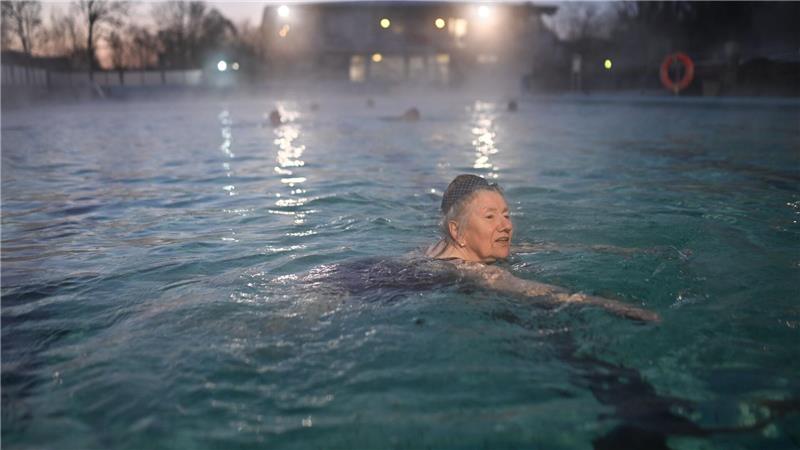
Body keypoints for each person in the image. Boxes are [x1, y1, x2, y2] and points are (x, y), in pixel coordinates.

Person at [426, 174, 660, 322]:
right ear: (457, 231)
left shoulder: (437, 250)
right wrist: (613, 306)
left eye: (506, 215)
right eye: (490, 217)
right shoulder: (474, 271)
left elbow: (541, 246)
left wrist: (620, 251)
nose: (506, 225)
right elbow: (533, 290)